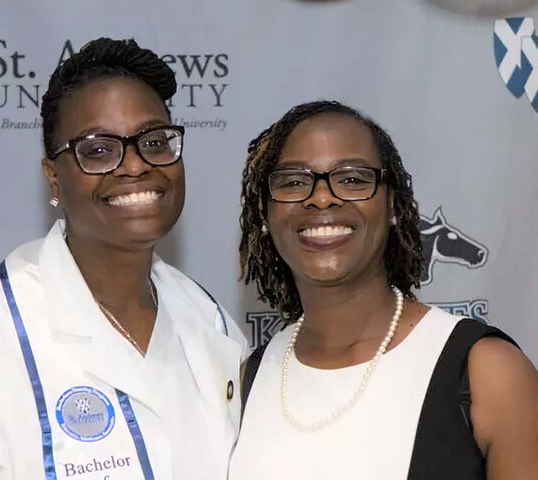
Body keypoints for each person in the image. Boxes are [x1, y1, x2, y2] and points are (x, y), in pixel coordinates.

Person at [0, 38, 247, 480]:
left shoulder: (210, 323)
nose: (136, 165)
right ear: (54, 179)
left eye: (155, 141)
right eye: (98, 149)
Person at [229, 100, 538, 479]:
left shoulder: (486, 372)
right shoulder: (247, 381)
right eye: (294, 182)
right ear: (264, 213)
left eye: (352, 179)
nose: (322, 197)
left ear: (393, 205)